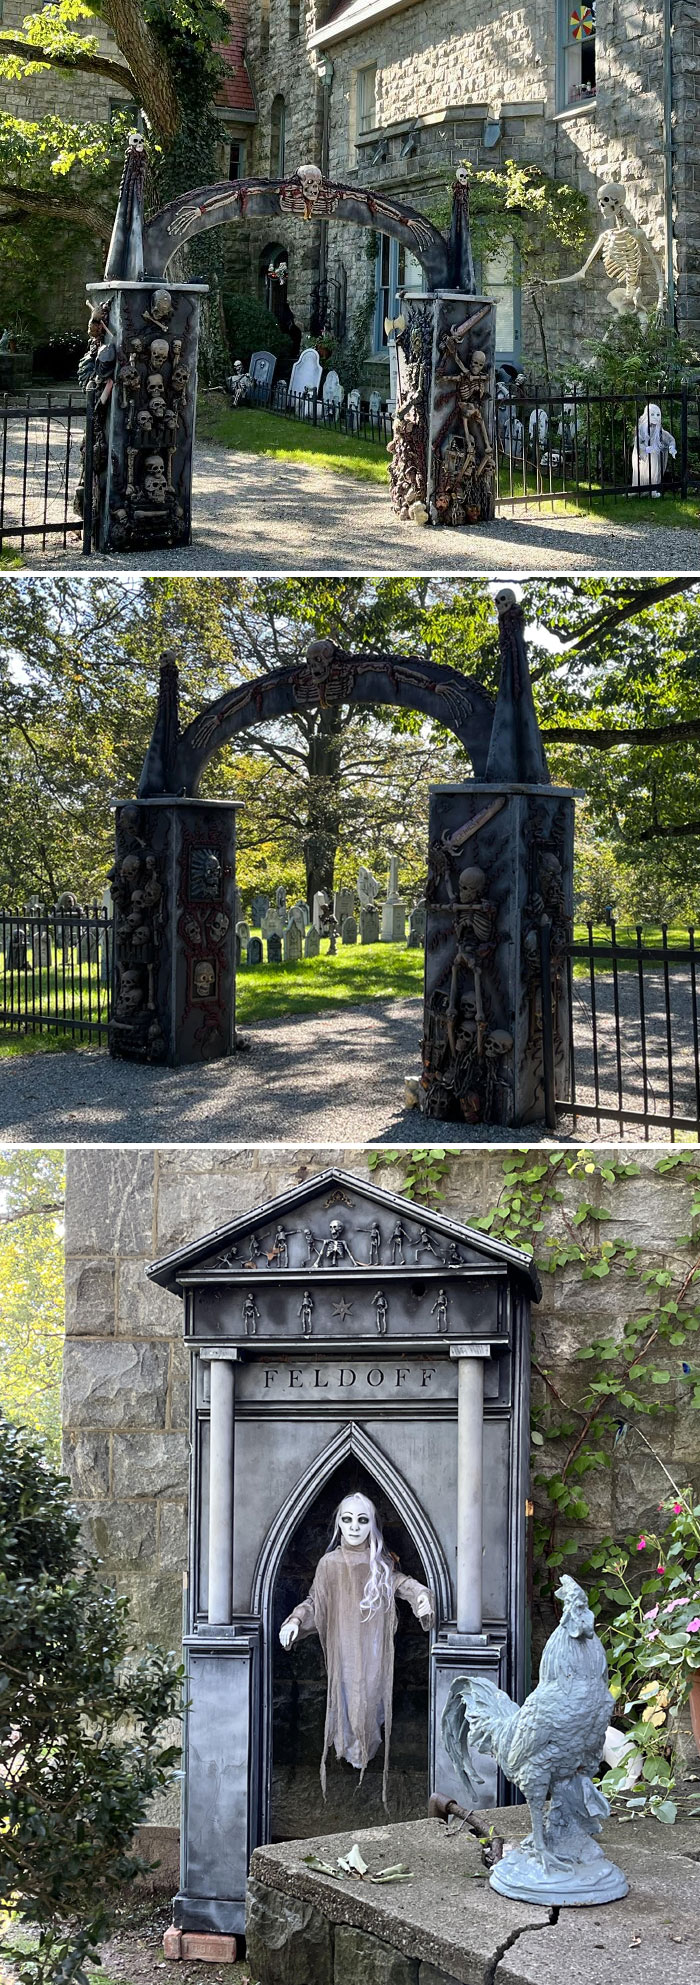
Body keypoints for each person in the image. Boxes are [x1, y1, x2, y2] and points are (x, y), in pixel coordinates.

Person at [279, 1490, 434, 1805]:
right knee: (347, 1697)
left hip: (373, 1648)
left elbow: (402, 1583)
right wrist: (295, 1620)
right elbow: (315, 1601)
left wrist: (421, 1597)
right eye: (347, 1519)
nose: (353, 1527)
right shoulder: (329, 1564)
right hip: (343, 1648)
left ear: (372, 1524)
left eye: (362, 1520)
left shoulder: (379, 1563)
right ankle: (350, 1754)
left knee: (369, 1698)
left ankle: (365, 1752)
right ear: (338, 1522)